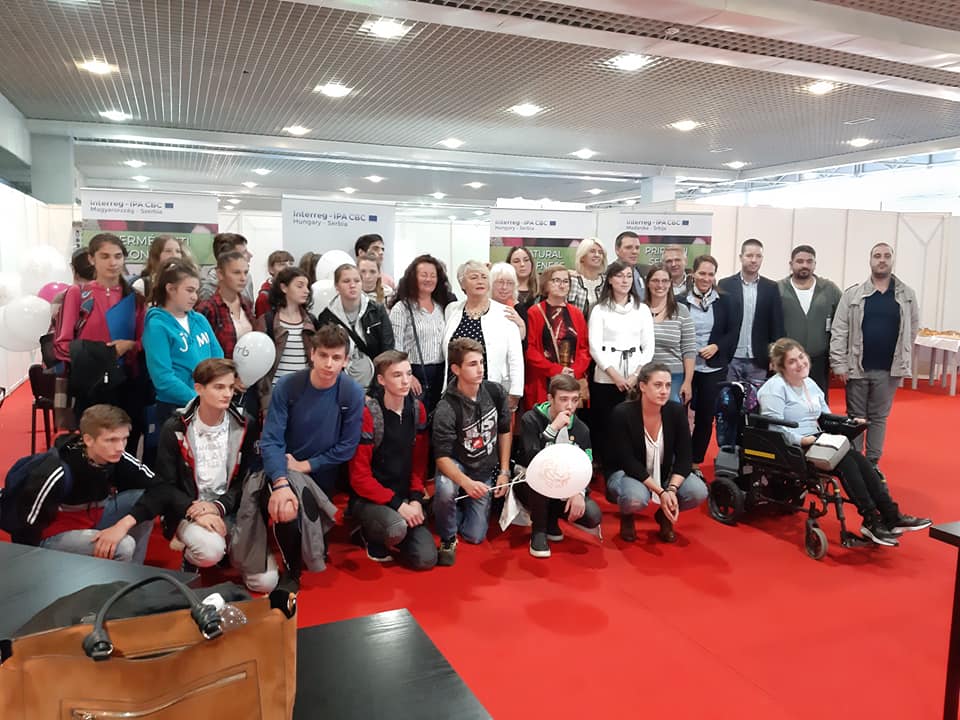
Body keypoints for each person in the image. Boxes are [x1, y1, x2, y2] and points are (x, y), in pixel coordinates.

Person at [759, 338, 930, 545]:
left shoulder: (809, 384)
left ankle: (891, 516)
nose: (800, 363)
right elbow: (774, 426)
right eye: (792, 361)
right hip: (793, 446)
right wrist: (801, 439)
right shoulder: (774, 388)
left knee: (861, 461)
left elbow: (826, 417)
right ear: (782, 367)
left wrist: (848, 423)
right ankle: (871, 520)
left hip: (819, 440)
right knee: (847, 463)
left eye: (801, 357)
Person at [141, 359, 277, 590]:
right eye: (219, 387)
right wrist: (194, 510)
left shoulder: (246, 424)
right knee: (209, 551)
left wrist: (219, 507)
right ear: (199, 388)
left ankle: (227, 549)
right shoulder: (175, 427)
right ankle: (192, 555)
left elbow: (249, 479)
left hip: (232, 509)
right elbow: (164, 485)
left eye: (231, 387)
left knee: (265, 583)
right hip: (189, 509)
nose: (227, 394)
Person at [260, 324, 365, 588]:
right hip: (285, 466)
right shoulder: (288, 386)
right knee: (287, 508)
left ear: (346, 360)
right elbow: (271, 439)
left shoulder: (352, 392)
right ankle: (291, 572)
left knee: (315, 545)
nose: (329, 364)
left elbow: (348, 446)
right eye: (323, 356)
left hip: (323, 473)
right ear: (312, 354)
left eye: (336, 357)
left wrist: (307, 465)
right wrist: (281, 480)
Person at [14, 404, 159, 563]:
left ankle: (134, 571)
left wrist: (123, 525)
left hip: (93, 518)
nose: (120, 447)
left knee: (144, 500)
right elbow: (24, 522)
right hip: (52, 537)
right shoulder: (59, 469)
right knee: (124, 546)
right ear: (89, 440)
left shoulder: (117, 456)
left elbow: (161, 488)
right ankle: (116, 578)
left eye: (124, 439)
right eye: (111, 440)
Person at [53, 233, 148, 451]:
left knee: (125, 447)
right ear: (91, 258)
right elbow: (62, 345)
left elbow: (144, 342)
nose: (112, 262)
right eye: (105, 256)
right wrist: (101, 355)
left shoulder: (135, 298)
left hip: (127, 384)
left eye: (117, 256)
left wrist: (130, 345)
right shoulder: (78, 294)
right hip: (90, 386)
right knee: (93, 448)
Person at [830, 242, 919, 473]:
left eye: (887, 256)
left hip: (889, 370)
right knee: (855, 418)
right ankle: (854, 462)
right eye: (877, 256)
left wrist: (903, 358)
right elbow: (839, 330)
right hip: (857, 367)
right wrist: (839, 363)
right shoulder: (853, 294)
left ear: (892, 260)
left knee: (879, 418)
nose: (882, 260)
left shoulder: (907, 296)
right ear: (870, 260)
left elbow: (912, 329)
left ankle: (872, 463)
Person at [348, 351, 437, 569]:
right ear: (381, 380)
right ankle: (367, 533)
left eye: (408, 373)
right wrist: (398, 505)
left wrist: (415, 499)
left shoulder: (417, 410)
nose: (406, 381)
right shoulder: (369, 414)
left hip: (403, 496)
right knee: (396, 527)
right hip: (370, 498)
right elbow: (359, 478)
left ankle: (397, 533)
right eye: (397, 375)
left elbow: (419, 464)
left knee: (426, 558)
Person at [606, 363, 709, 543]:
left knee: (698, 491)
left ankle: (664, 515)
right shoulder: (622, 413)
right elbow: (627, 461)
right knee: (635, 498)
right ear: (643, 386)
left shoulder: (676, 412)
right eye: (658, 385)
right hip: (628, 473)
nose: (664, 391)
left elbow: (685, 457)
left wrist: (671, 489)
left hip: (663, 473)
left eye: (668, 385)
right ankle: (627, 514)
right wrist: (661, 493)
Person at [432, 338, 513, 565]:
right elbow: (441, 458)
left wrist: (504, 471)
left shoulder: (495, 391)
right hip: (456, 465)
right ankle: (448, 537)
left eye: (481, 362)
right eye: (472, 364)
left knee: (475, 535)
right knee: (446, 489)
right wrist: (466, 483)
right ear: (456, 369)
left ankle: (449, 508)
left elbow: (505, 431)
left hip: (485, 467)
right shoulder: (446, 407)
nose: (480, 369)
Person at [515, 373, 602, 558]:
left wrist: (579, 492)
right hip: (530, 482)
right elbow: (533, 459)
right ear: (550, 398)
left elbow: (586, 465)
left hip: (564, 484)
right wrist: (552, 429)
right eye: (563, 399)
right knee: (541, 479)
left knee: (593, 515)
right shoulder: (530, 419)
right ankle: (538, 530)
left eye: (574, 400)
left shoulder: (582, 429)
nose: (570, 406)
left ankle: (552, 520)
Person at [587, 260, 655, 471]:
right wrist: (614, 375)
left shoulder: (642, 309)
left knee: (633, 424)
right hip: (606, 376)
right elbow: (594, 347)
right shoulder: (599, 309)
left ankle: (634, 466)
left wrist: (636, 375)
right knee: (606, 423)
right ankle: (608, 469)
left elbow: (648, 347)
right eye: (619, 276)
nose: (624, 281)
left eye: (628, 276)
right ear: (609, 279)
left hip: (635, 375)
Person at [142, 260, 224, 428]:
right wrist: (198, 398)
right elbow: (163, 377)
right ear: (171, 289)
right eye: (189, 290)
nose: (195, 297)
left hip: (207, 403)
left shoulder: (200, 320)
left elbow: (218, 358)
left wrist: (215, 392)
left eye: (196, 291)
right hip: (175, 407)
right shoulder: (157, 326)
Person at [441, 260, 524, 412]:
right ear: (462, 284)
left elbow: (516, 356)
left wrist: (516, 391)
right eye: (474, 277)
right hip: (455, 387)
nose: (480, 281)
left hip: (490, 387)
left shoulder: (504, 312)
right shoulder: (452, 310)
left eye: (484, 277)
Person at [680, 255, 737, 472]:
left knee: (705, 417)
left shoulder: (726, 301)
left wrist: (717, 346)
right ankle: (677, 459)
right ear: (693, 273)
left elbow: (733, 332)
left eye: (710, 274)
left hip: (713, 367)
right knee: (678, 416)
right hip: (684, 366)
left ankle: (695, 462)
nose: (706, 278)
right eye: (702, 273)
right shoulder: (680, 300)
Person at [389, 255, 452, 415]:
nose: (428, 279)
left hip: (441, 373)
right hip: (415, 373)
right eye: (423, 275)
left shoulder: (442, 307)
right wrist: (408, 376)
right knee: (417, 420)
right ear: (413, 277)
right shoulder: (402, 308)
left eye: (433, 275)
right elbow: (395, 347)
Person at [718, 238, 784, 389]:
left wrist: (776, 356)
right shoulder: (725, 284)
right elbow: (720, 323)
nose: (754, 260)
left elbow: (777, 325)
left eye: (758, 256)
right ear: (741, 257)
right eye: (749, 255)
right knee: (729, 398)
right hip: (731, 357)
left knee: (756, 400)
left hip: (759, 358)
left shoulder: (771, 287)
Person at [777, 245, 841, 399]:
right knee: (789, 402)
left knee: (818, 402)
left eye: (809, 261)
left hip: (819, 360)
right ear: (791, 264)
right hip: (787, 360)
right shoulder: (778, 289)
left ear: (814, 264)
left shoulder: (830, 289)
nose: (804, 265)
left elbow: (842, 322)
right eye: (800, 261)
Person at [523, 265, 591, 410]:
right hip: (544, 381)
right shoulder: (534, 312)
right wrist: (556, 370)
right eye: (556, 280)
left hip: (571, 382)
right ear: (546, 284)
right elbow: (530, 349)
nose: (562, 285)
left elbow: (584, 348)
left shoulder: (577, 314)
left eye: (566, 281)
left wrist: (574, 371)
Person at [317, 264, 394, 389]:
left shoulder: (377, 310)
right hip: (342, 384)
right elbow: (327, 356)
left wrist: (378, 387)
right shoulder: (326, 317)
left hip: (375, 381)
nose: (352, 285)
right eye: (346, 281)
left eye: (357, 281)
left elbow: (388, 349)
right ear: (337, 286)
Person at [256, 266, 318, 410]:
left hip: (305, 393)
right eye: (300, 286)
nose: (306, 291)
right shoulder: (267, 321)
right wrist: (265, 402)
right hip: (276, 394)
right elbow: (259, 365)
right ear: (284, 288)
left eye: (307, 286)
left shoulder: (312, 321)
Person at [644, 265, 696, 404]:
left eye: (665, 281)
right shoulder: (639, 310)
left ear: (670, 284)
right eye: (655, 280)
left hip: (674, 377)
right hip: (645, 376)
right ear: (648, 283)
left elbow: (689, 349)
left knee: (672, 415)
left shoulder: (681, 311)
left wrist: (687, 382)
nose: (660, 285)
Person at [195, 251, 255, 360]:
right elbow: (200, 351)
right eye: (236, 273)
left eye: (246, 272)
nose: (243, 278)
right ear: (220, 274)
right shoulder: (207, 309)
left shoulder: (247, 304)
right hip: (220, 368)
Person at [198, 233, 254, 302]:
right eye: (244, 252)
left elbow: (250, 307)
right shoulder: (207, 290)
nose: (250, 255)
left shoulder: (247, 277)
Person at [489, 262, 529, 344]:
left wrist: (521, 326)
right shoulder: (484, 306)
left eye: (510, 283)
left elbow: (524, 345)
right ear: (491, 283)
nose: (504, 287)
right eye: (500, 282)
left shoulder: (519, 309)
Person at [566, 237, 607, 316]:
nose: (597, 255)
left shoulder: (607, 282)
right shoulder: (572, 280)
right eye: (592, 251)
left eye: (600, 252)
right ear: (582, 256)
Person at [255, 250, 295, 318]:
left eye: (291, 264)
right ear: (271, 269)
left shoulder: (296, 291)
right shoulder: (264, 297)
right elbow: (262, 322)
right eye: (282, 264)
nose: (288, 267)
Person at [613, 231, 645, 300]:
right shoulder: (606, 274)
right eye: (629, 247)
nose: (634, 252)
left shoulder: (645, 271)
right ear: (617, 250)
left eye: (637, 248)